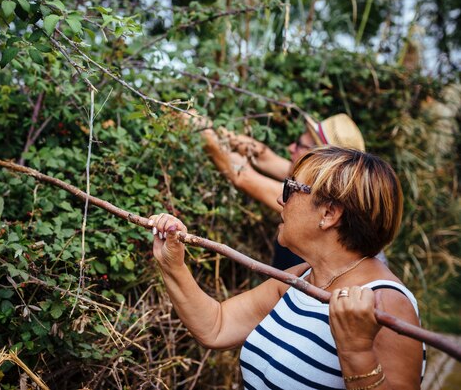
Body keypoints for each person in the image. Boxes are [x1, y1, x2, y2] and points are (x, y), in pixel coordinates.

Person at [148, 146, 424, 389]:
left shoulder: (386, 302)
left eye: (290, 189)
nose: (281, 199)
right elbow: (216, 326)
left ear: (328, 214)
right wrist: (173, 265)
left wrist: (357, 351)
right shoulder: (302, 278)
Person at [186, 112, 378, 269]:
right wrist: (209, 125)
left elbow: (242, 176)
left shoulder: (310, 197)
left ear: (320, 160)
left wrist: (206, 137)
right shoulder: (315, 183)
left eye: (300, 145)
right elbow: (262, 156)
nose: (290, 147)